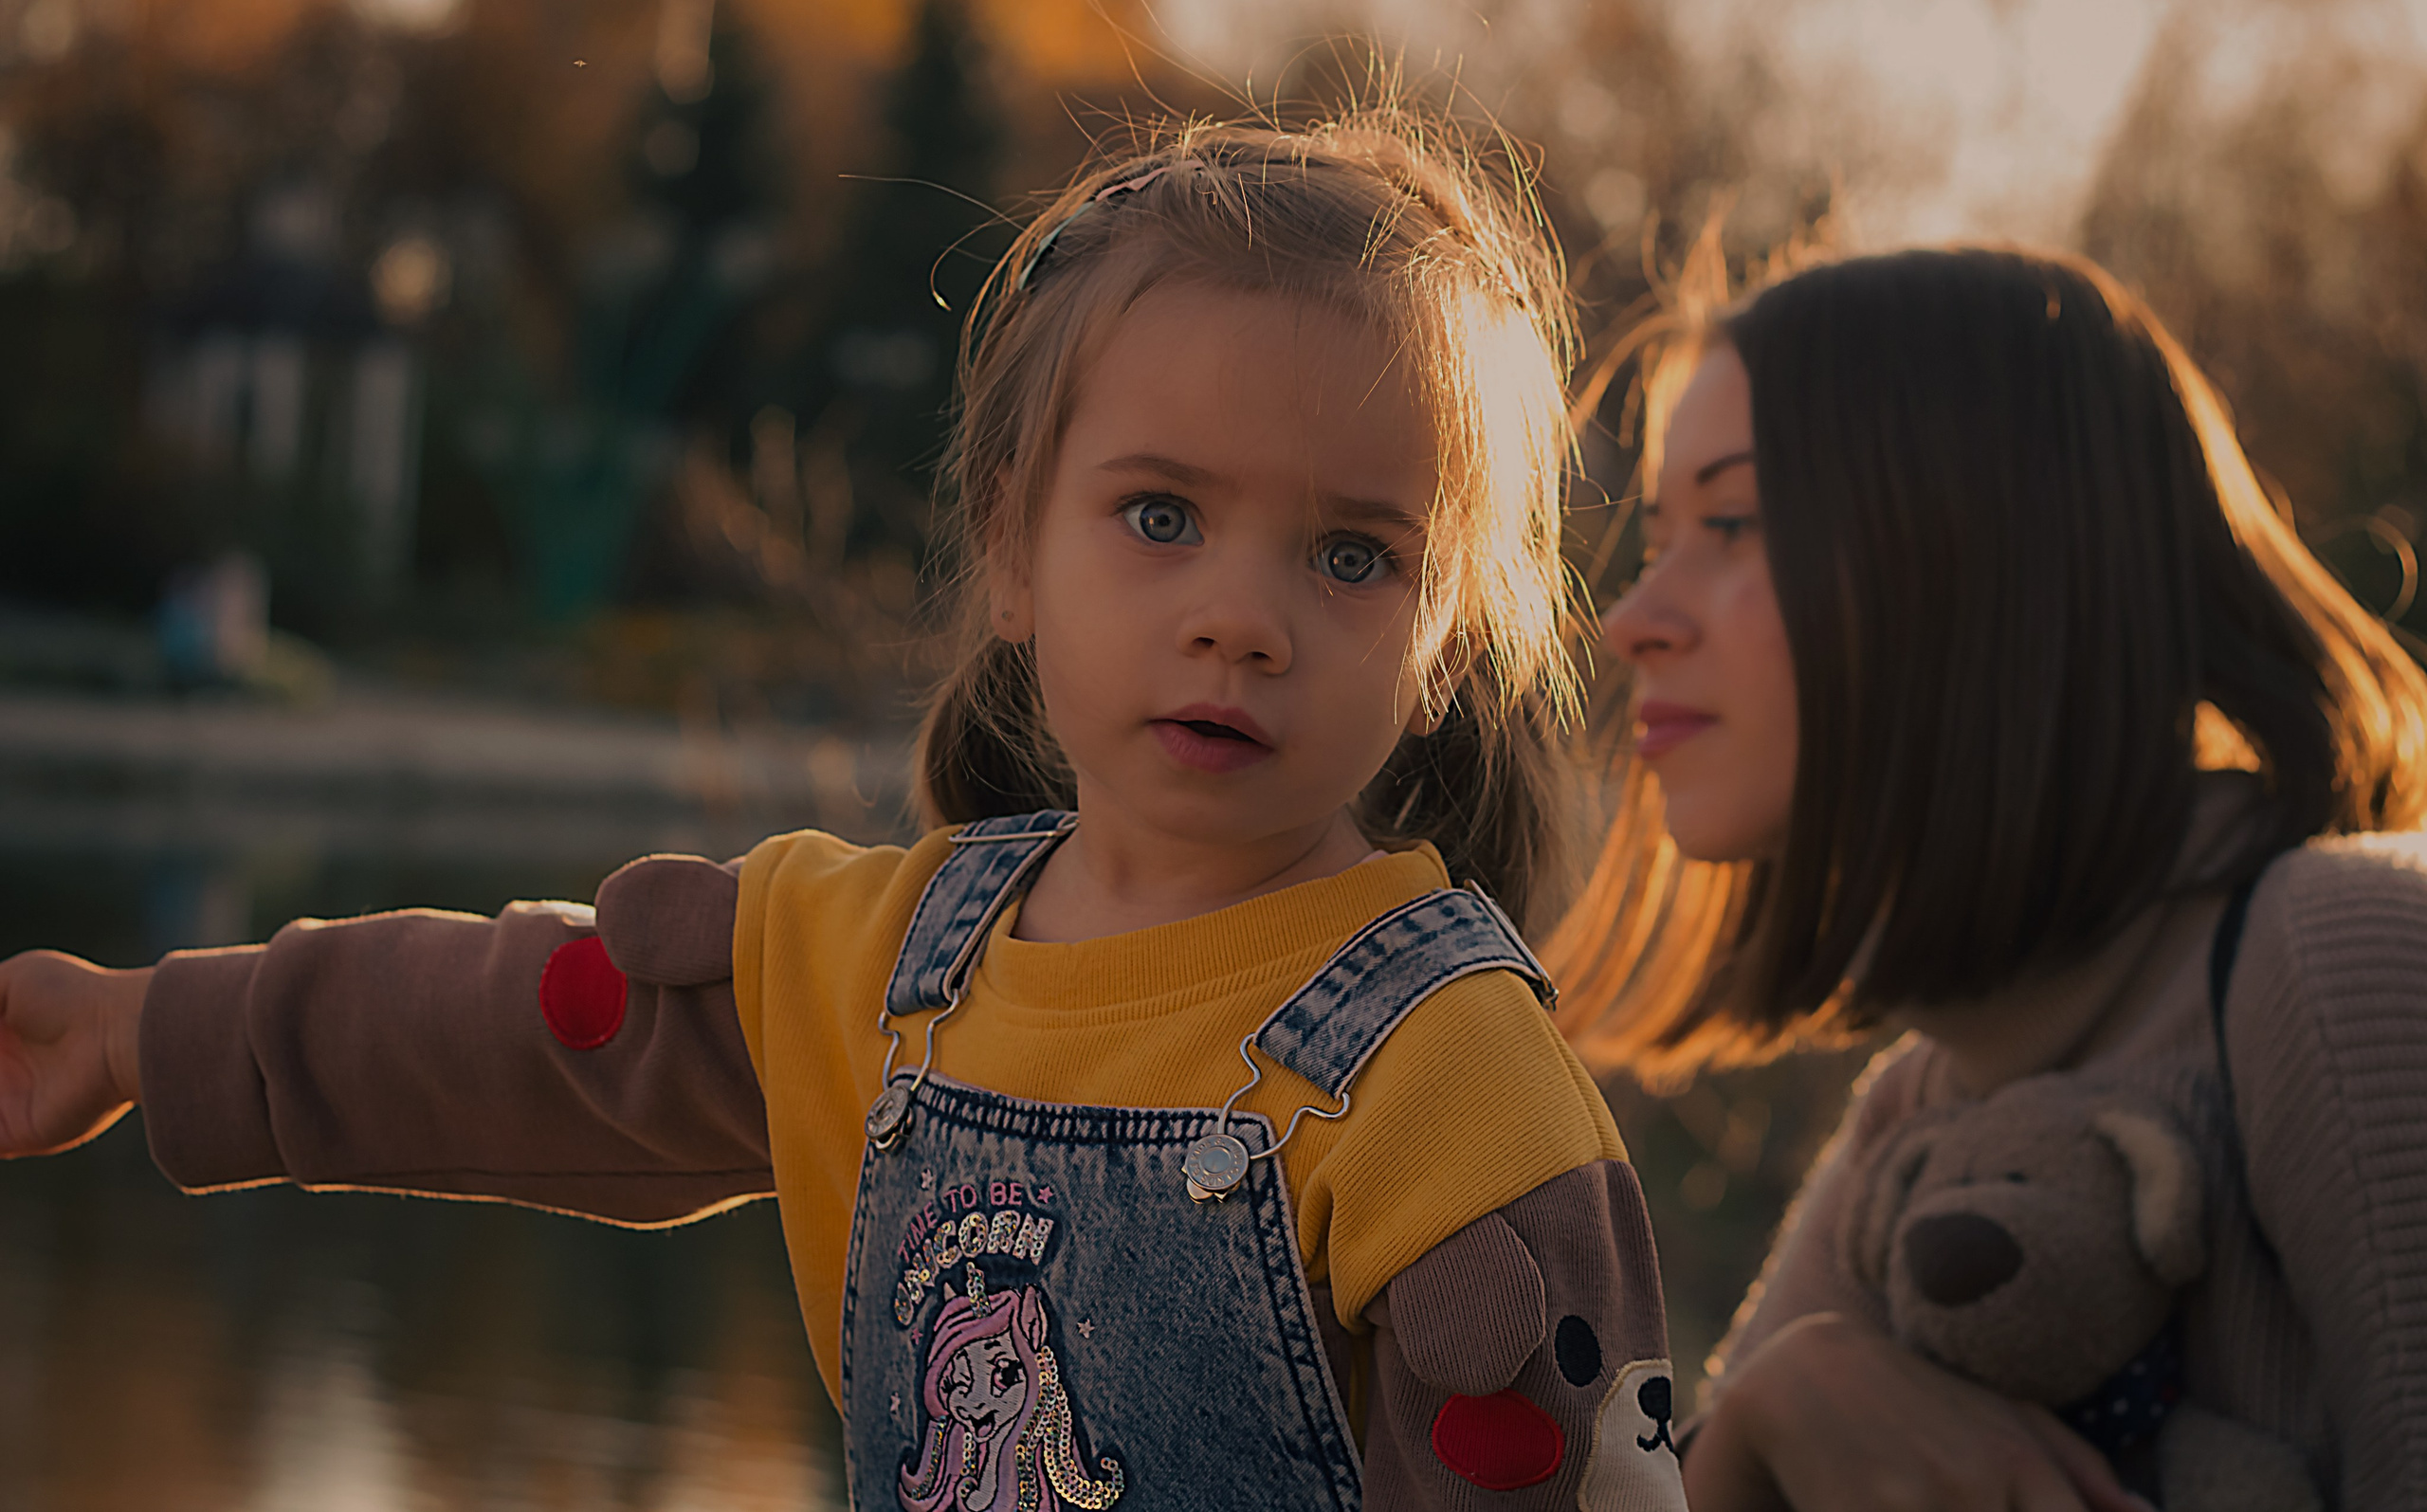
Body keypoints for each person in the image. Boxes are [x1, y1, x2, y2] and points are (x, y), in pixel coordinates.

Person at [0, 113, 1688, 1512]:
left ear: (1445, 630)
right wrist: (154, 1030)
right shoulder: (878, 968)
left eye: (1349, 555)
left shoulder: (1451, 1085)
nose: (1243, 616)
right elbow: (525, 1032)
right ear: (1012, 542)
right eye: (1162, 515)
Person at [1552, 240, 2427, 1511]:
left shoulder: (2341, 962)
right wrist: (1770, 1408)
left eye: (1734, 524)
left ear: (1985, 561)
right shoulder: (1919, 1107)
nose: (1631, 620)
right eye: (1658, 539)